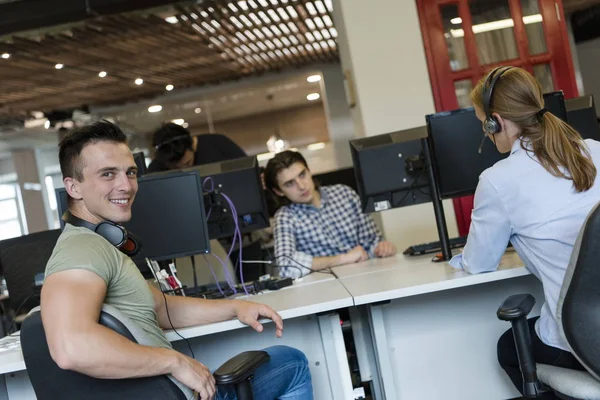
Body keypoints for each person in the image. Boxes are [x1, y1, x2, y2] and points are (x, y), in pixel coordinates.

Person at [41, 121, 313, 400]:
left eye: (130, 172)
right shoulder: (81, 249)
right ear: (73, 188)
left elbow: (161, 308)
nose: (126, 186)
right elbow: (70, 347)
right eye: (108, 174)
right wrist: (174, 361)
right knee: (291, 362)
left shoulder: (101, 245)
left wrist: (234, 307)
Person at [449, 66, 600, 399]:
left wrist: (457, 258)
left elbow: (480, 263)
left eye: (482, 124)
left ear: (496, 122)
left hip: (585, 341)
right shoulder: (594, 150)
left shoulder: (498, 180)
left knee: (508, 348)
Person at [264, 150, 397, 279]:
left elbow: (371, 243)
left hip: (366, 278)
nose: (301, 186)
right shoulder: (285, 216)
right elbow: (286, 266)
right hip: (326, 289)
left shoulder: (345, 194)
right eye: (289, 183)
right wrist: (342, 259)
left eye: (302, 174)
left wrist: (381, 248)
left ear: (309, 170)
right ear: (279, 191)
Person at [147, 123, 246, 172]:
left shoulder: (219, 145)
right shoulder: (156, 168)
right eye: (175, 168)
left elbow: (249, 171)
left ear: (193, 145)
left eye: (188, 163)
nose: (184, 170)